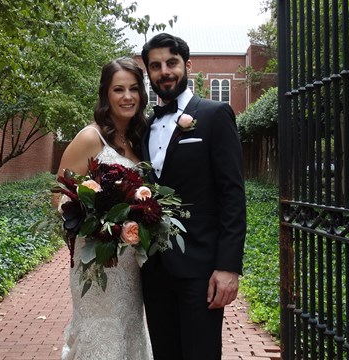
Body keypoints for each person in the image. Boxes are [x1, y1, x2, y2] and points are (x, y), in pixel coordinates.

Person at [140, 33, 247, 359]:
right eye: (155, 66)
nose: (164, 71)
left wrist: (228, 267)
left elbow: (232, 193)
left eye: (171, 63)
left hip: (201, 271)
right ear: (149, 73)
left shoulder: (215, 115)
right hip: (154, 270)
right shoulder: (145, 126)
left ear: (187, 65)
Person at [57, 57, 152, 360]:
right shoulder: (90, 137)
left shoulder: (141, 139)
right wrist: (97, 226)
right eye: (119, 89)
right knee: (101, 332)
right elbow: (59, 196)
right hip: (98, 261)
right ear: (106, 94)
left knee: (129, 326)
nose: (127, 97)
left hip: (131, 262)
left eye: (134, 89)